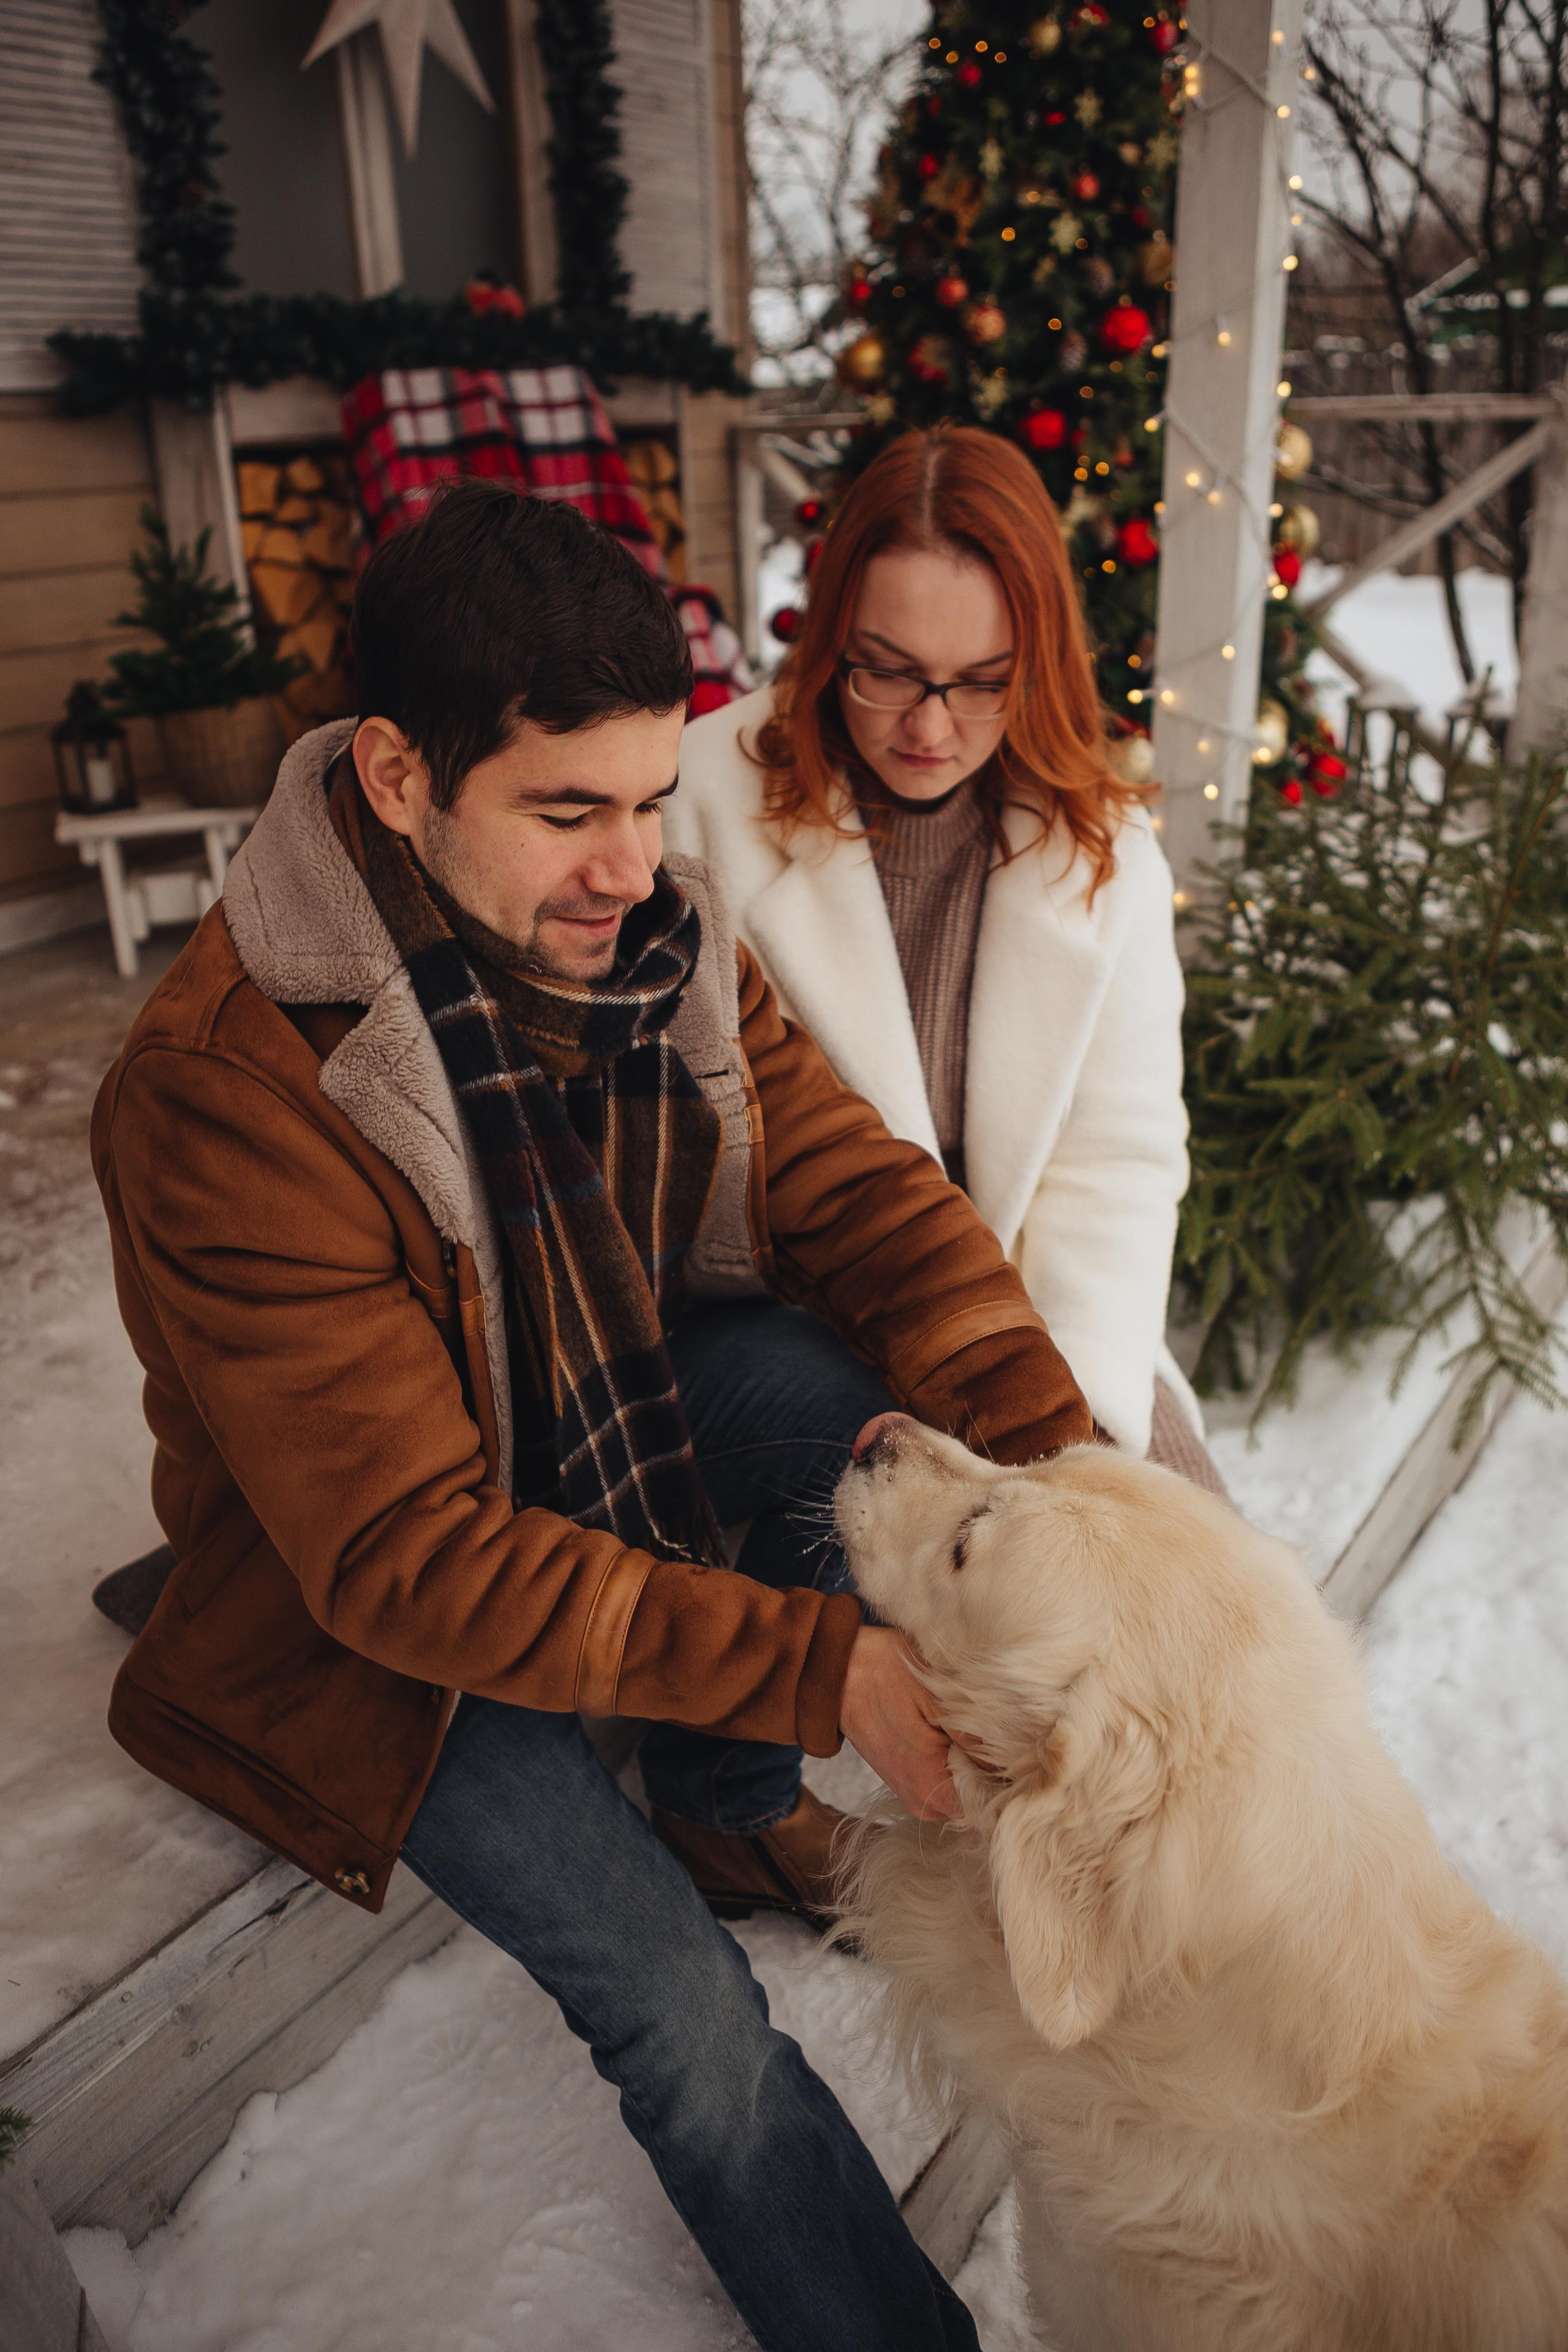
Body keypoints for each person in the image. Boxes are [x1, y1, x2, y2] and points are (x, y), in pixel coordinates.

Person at [92, 480, 1093, 2352]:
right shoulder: (231, 1087)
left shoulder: (658, 938)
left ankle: (718, 1804)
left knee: (857, 1411)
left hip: (594, 1415)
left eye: (648, 801)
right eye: (566, 811)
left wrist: (1068, 1471)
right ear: (398, 777)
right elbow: (403, 1555)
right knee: (685, 2016)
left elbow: (861, 1197)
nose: (630, 865)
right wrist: (829, 1675)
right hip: (370, 1610)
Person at [669, 423, 1216, 1485]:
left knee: (1178, 1541)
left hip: (1024, 1313)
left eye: (981, 682)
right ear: (832, 639)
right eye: (890, 672)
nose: (931, 727)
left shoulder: (1106, 853)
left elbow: (1119, 1160)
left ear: (1039, 663)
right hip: (785, 1307)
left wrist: (1075, 1415)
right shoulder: (700, 793)